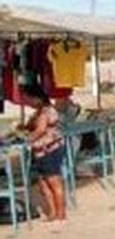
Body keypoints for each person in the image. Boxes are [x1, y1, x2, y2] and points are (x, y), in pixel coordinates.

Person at [19, 84, 66, 226]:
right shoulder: (38, 112)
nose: (27, 103)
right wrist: (23, 128)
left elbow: (40, 130)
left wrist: (25, 139)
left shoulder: (46, 111)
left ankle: (61, 213)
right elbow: (31, 127)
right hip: (40, 151)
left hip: (49, 150)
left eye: (28, 100)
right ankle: (52, 212)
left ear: (37, 98)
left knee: (54, 182)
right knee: (43, 184)